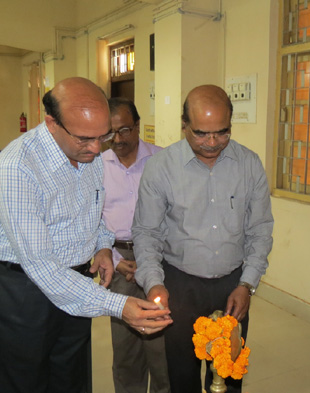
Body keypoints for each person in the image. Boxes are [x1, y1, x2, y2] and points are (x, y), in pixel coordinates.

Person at [0, 77, 172, 393]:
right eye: (85, 139)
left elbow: (91, 213)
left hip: (76, 280)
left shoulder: (89, 155)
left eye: (103, 136)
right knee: (25, 381)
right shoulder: (17, 169)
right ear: (52, 122)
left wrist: (101, 246)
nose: (97, 148)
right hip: (23, 290)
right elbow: (42, 267)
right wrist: (120, 305)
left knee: (71, 376)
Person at [133, 84, 274, 393]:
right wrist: (154, 283)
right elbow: (147, 232)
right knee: (182, 373)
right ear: (184, 124)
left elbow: (260, 228)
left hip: (233, 285)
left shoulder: (249, 164)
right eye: (201, 133)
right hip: (179, 285)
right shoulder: (161, 168)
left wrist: (247, 284)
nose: (212, 143)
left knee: (229, 371)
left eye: (222, 133)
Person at [102, 97, 169, 393]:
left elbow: (177, 214)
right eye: (110, 132)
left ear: (139, 126)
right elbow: (91, 220)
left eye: (125, 130)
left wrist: (151, 258)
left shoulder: (163, 160)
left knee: (162, 346)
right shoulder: (96, 166)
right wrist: (116, 260)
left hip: (160, 257)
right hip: (117, 260)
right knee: (125, 348)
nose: (117, 139)